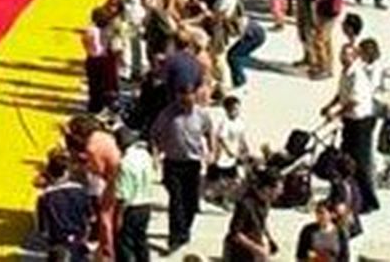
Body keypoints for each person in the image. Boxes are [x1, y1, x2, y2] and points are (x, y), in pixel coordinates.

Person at [319, 38, 382, 214]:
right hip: (350, 120)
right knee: (343, 161)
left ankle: (368, 201)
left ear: (354, 57)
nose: (343, 57)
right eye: (342, 54)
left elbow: (354, 101)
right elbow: (341, 94)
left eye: (347, 54)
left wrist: (336, 113)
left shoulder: (357, 75)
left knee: (360, 163)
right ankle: (342, 196)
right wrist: (329, 106)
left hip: (361, 122)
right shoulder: (346, 72)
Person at [149, 83, 213, 252]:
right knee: (176, 201)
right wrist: (156, 156)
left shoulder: (201, 114)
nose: (186, 105)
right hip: (173, 163)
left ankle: (184, 231)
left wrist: (211, 151)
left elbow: (209, 131)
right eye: (183, 101)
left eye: (189, 101)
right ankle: (175, 237)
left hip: (192, 164)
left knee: (191, 202)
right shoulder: (167, 114)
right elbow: (154, 135)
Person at [33, 154, 90, 261]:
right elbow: (89, 217)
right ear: (67, 172)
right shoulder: (80, 191)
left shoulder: (45, 198)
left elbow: (42, 229)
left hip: (58, 245)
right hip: (78, 243)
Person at [114, 128, 155, 262]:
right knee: (141, 239)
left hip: (131, 208)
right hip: (146, 204)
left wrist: (118, 217)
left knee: (125, 244)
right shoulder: (144, 155)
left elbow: (123, 195)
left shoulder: (125, 163)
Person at [223, 170, 280, 261]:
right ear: (267, 188)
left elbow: (261, 224)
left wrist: (269, 240)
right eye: (278, 189)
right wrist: (256, 249)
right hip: (238, 253)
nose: (279, 192)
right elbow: (235, 233)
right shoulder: (245, 204)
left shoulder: (265, 203)